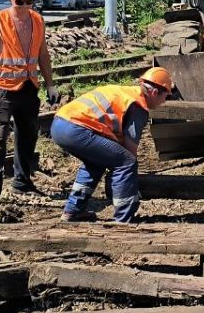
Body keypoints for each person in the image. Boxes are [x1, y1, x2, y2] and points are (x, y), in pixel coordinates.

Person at [0, 0, 59, 209]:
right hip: (1, 88)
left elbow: (43, 55)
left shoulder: (38, 21)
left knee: (28, 134)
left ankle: (22, 180)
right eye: (21, 1)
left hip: (29, 87)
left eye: (30, 1)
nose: (25, 6)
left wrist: (50, 85)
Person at [53, 66, 174, 223]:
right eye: (165, 96)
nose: (164, 102)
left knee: (95, 163)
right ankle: (123, 219)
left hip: (60, 124)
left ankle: (73, 211)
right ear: (154, 92)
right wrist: (130, 183)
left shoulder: (125, 93)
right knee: (126, 162)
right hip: (77, 129)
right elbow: (130, 150)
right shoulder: (138, 106)